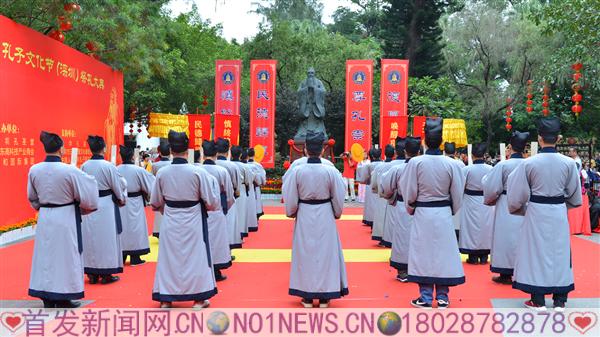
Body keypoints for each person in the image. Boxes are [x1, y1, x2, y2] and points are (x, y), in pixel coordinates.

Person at [507, 117, 581, 311]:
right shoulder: (569, 163)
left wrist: (521, 209)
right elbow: (574, 195)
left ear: (539, 139)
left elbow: (517, 194)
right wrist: (561, 204)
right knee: (560, 252)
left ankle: (538, 300)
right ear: (558, 139)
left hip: (536, 211)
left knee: (535, 253)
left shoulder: (529, 163)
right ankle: (560, 299)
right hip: (557, 210)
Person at [27, 131, 99, 308]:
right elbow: (87, 191)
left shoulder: (34, 170)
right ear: (61, 149)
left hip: (45, 215)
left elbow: (32, 196)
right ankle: (64, 294)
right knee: (67, 255)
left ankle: (46, 295)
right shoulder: (69, 170)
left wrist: (41, 206)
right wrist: (84, 207)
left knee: (45, 256)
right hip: (65, 215)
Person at [400, 118, 465, 309]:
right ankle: (443, 297)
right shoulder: (452, 164)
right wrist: (451, 209)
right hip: (443, 212)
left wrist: (412, 207)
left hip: (423, 212)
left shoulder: (416, 163)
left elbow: (408, 190)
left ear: (425, 142)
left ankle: (426, 297)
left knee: (424, 253)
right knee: (444, 253)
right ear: (442, 142)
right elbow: (457, 192)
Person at [150, 130, 220, 308]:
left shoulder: (162, 173)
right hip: (193, 219)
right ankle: (198, 298)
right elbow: (211, 201)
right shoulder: (197, 172)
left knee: (169, 258)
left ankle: (166, 298)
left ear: (171, 150)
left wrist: (168, 208)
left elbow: (155, 201)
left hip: (171, 218)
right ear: (188, 150)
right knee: (195, 258)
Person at [283, 131, 348, 308]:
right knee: (326, 253)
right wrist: (336, 212)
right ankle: (326, 295)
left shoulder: (297, 170)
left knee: (305, 253)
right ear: (322, 150)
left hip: (304, 212)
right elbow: (339, 195)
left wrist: (293, 211)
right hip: (325, 212)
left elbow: (289, 195)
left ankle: (307, 296)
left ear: (305, 149)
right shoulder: (330, 170)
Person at [81, 135, 127, 285]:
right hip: (106, 205)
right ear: (104, 148)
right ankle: (106, 273)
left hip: (90, 203)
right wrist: (121, 199)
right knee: (107, 239)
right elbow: (117, 186)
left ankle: (92, 273)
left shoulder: (84, 166)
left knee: (90, 238)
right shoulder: (108, 166)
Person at [483, 132, 528, 285]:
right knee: (524, 237)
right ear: (525, 149)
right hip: (525, 204)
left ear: (510, 147)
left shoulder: (503, 165)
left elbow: (491, 187)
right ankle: (525, 270)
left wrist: (490, 201)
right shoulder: (530, 164)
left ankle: (505, 273)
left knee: (505, 238)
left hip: (505, 203)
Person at [379, 136, 421, 282]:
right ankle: (420, 269)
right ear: (419, 151)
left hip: (403, 206)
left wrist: (392, 198)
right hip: (422, 208)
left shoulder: (398, 169)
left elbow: (385, 187)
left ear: (404, 151)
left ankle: (403, 270)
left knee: (402, 237)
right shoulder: (424, 167)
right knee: (421, 239)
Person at [198, 141, 235, 282]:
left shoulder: (197, 170)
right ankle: (217, 271)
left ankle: (202, 269)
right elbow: (229, 195)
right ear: (216, 153)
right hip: (217, 209)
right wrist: (223, 208)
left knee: (201, 241)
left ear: (203, 154)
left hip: (199, 210)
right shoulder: (221, 171)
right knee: (217, 241)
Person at [117, 145, 155, 266]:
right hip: (135, 202)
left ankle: (121, 254)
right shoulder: (138, 170)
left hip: (120, 202)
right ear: (133, 157)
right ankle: (135, 256)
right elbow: (151, 185)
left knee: (121, 227)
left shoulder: (115, 169)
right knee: (135, 227)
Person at [459, 143, 494, 264]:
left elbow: (460, 187)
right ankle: (484, 256)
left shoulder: (466, 170)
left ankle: (472, 256)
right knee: (486, 227)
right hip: (486, 201)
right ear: (484, 155)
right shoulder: (490, 169)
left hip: (470, 200)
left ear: (472, 155)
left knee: (471, 228)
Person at [376, 139, 407, 248]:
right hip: (411, 203)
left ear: (396, 152)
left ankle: (388, 240)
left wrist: (387, 196)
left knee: (390, 223)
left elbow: (382, 184)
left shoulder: (388, 166)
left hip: (393, 198)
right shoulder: (416, 165)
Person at [215, 138, 243, 249]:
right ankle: (227, 251)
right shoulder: (232, 166)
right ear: (228, 152)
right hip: (228, 198)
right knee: (229, 226)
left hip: (211, 201)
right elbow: (236, 185)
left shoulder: (211, 165)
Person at [370, 144, 395, 245]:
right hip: (394, 196)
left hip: (382, 194)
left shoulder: (380, 167)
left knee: (381, 216)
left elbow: (374, 182)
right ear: (394, 154)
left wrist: (377, 190)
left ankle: (381, 237)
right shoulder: (396, 166)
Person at [355, 148, 382, 227]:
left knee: (370, 204)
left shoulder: (369, 165)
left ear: (372, 156)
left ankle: (370, 219)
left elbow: (363, 178)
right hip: (380, 186)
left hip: (370, 185)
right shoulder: (384, 164)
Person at [230, 146, 252, 239]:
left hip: (230, 189)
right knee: (241, 213)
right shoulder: (244, 166)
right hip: (242, 188)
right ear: (240, 155)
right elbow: (248, 180)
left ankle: (232, 235)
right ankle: (240, 234)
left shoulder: (228, 165)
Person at [151, 142, 171, 238]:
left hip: (160, 190)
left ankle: (158, 231)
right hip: (171, 191)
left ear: (160, 152)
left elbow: (152, 179)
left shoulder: (155, 165)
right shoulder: (172, 163)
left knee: (159, 214)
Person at [241, 148, 260, 233]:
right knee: (251, 206)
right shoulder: (256, 165)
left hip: (238, 188)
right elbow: (259, 178)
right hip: (249, 187)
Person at [247, 148, 267, 220]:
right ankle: (256, 217)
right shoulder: (258, 165)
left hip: (246, 187)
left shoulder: (244, 164)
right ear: (254, 154)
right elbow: (262, 176)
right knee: (256, 202)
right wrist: (262, 182)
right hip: (255, 186)